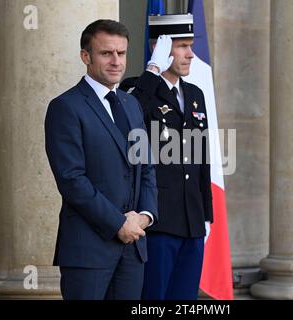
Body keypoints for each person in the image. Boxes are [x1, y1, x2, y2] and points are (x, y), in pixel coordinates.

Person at [44, 19, 158, 300]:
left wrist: (144, 216)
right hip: (88, 252)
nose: (116, 61)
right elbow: (72, 180)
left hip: (133, 250)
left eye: (121, 53)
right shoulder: (65, 107)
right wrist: (118, 223)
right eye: (107, 53)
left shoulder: (132, 105)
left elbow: (146, 169)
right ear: (86, 56)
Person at [120, 14, 213, 300]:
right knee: (153, 298)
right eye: (181, 46)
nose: (190, 54)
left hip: (191, 219)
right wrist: (153, 69)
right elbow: (128, 120)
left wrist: (206, 214)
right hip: (158, 219)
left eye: (191, 44)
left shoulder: (195, 94)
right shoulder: (136, 89)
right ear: (161, 49)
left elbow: (201, 157)